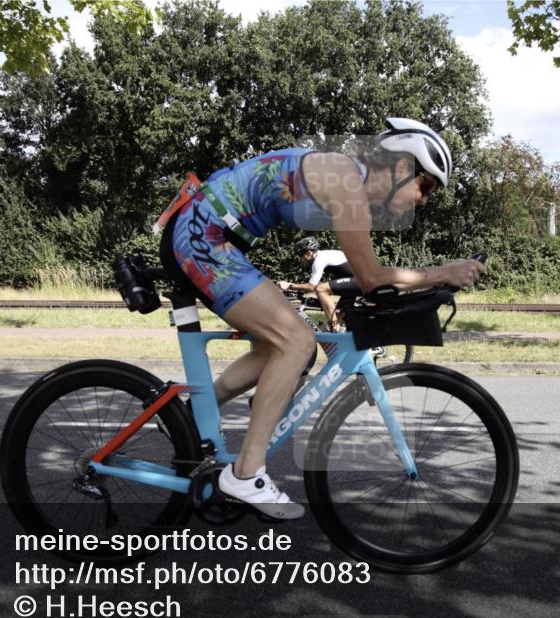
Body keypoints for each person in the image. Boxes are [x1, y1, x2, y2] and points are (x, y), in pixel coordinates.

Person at [158, 117, 484, 520]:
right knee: (296, 341)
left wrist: (426, 279)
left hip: (211, 234)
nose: (424, 199)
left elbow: (367, 277)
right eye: (427, 185)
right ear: (402, 167)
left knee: (286, 345)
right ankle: (245, 474)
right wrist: (444, 272)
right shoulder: (348, 185)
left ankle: (190, 415)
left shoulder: (351, 183)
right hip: (202, 237)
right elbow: (371, 277)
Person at [278, 236, 358, 331]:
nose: (300, 261)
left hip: (360, 281)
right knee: (336, 314)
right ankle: (339, 331)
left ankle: (334, 327)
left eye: (300, 257)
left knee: (321, 289)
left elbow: (311, 287)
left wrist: (290, 285)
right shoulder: (325, 255)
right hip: (357, 281)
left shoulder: (319, 260)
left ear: (309, 253)